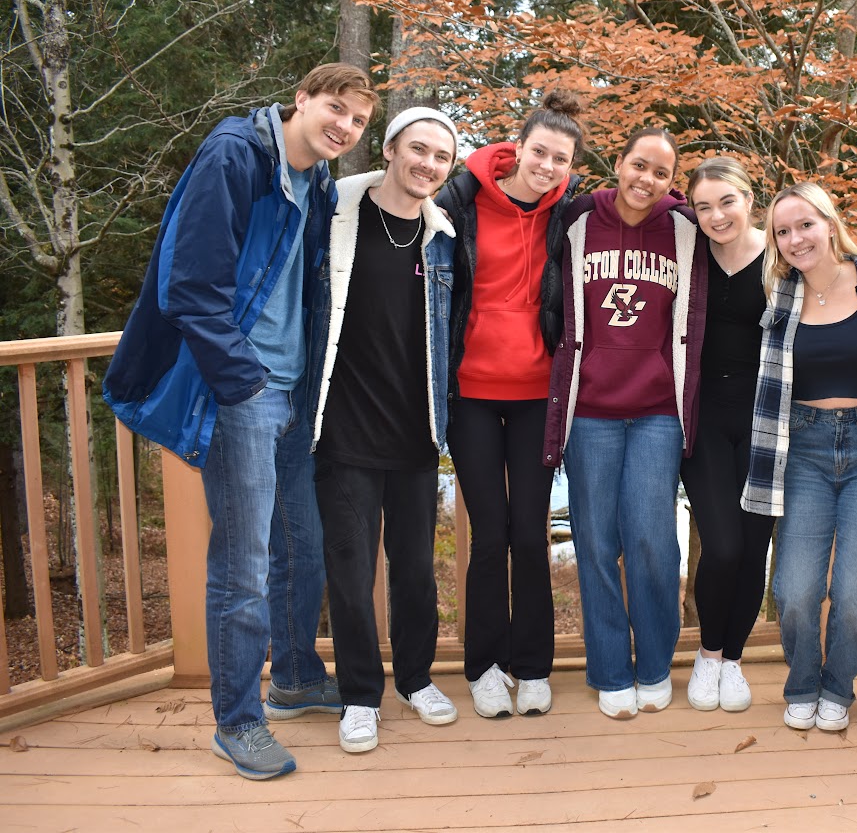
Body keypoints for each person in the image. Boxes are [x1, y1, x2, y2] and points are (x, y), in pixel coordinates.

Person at [103, 64, 379, 779]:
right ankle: (237, 720)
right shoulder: (236, 157)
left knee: (303, 547)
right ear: (301, 99)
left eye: (357, 120)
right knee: (244, 566)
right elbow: (189, 285)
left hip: (293, 392)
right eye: (335, 108)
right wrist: (244, 380)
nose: (344, 126)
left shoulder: (317, 179)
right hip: (244, 392)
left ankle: (294, 675)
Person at [309, 107, 461, 753]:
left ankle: (416, 679)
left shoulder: (442, 237)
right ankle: (359, 696)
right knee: (349, 573)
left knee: (416, 571)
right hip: (343, 432)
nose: (428, 164)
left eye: (442, 157)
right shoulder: (336, 213)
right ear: (392, 148)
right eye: (418, 149)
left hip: (415, 432)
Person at [542, 128, 707, 720]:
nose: (647, 180)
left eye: (661, 173)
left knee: (652, 540)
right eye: (639, 165)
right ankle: (611, 670)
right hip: (590, 411)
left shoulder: (685, 230)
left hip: (658, 411)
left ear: (671, 181)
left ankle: (655, 664)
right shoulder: (578, 220)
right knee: (594, 542)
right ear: (619, 163)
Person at [433, 91, 584, 719]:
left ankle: (534, 666)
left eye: (561, 159)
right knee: (490, 534)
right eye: (540, 152)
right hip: (470, 392)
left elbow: (637, 209)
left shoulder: (570, 215)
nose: (548, 166)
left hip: (536, 395)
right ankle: (485, 667)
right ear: (518, 148)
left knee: (529, 533)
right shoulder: (461, 201)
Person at [742, 182, 857, 733]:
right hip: (803, 449)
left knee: (855, 594)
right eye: (783, 231)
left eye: (805, 224)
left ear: (830, 224)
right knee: (794, 590)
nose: (796, 239)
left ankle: (838, 685)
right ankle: (803, 681)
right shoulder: (777, 296)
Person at [679, 157, 773, 712]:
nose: (716, 215)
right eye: (703, 206)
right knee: (722, 545)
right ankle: (708, 653)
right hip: (706, 418)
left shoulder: (781, 257)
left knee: (754, 548)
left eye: (727, 201)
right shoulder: (688, 256)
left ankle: (733, 659)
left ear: (749, 199)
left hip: (767, 423)